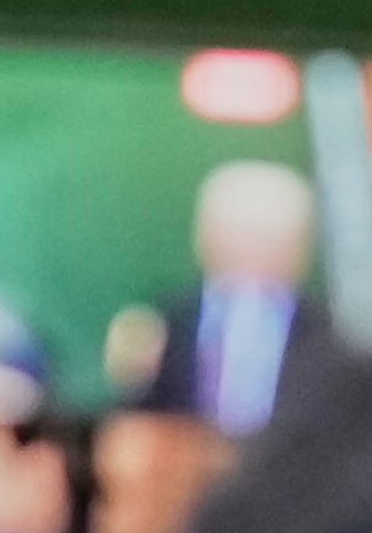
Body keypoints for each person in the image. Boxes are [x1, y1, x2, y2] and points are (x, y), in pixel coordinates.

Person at [127, 159, 339, 436]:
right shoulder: (171, 319)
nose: (252, 252)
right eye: (238, 234)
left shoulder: (327, 332)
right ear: (205, 237)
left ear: (299, 249)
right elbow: (144, 413)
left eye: (268, 238)